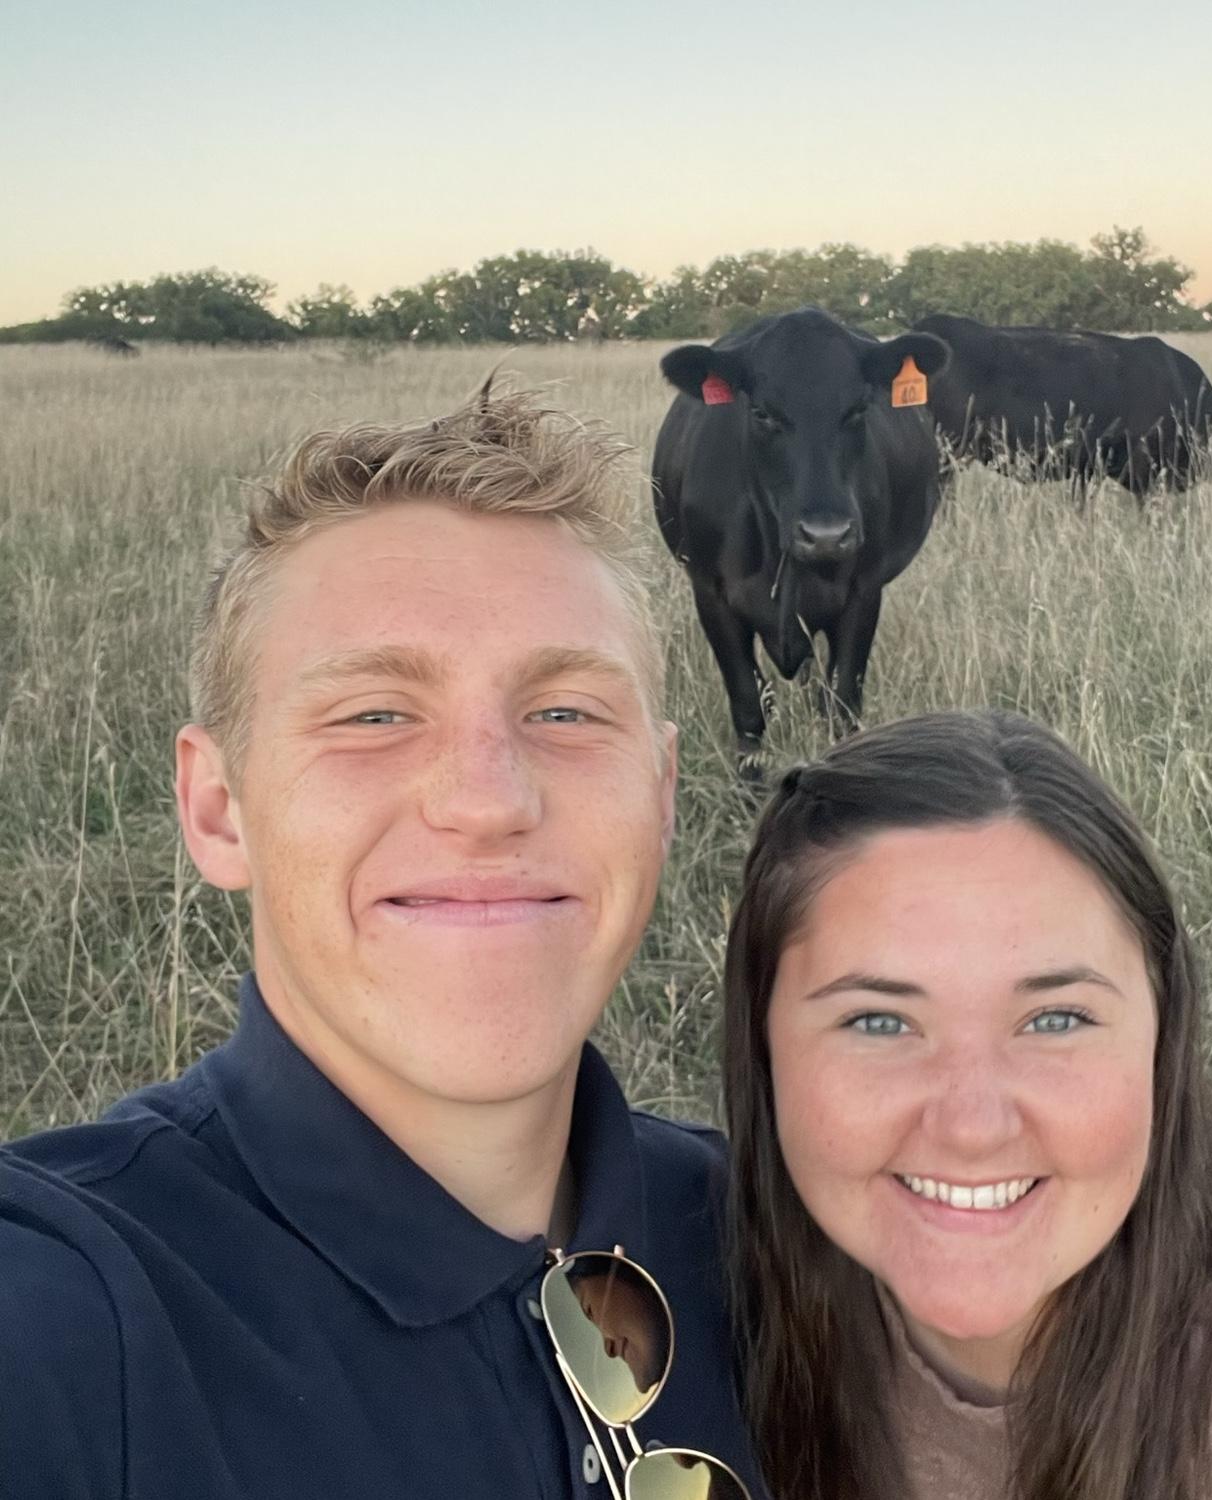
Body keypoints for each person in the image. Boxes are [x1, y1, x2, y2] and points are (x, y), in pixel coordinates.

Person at [0, 384, 765, 1500]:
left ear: (661, 793)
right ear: (217, 809)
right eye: (373, 714)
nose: (487, 799)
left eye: (564, 712)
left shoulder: (773, 1243)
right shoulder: (69, 1310)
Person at [722, 708, 1212, 1500]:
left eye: (1055, 1019)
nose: (971, 1125)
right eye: (879, 1022)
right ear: (763, 1043)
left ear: (1163, 1040)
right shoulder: (689, 1310)